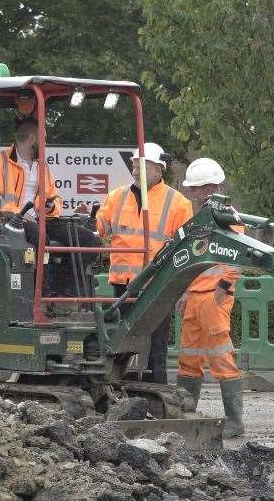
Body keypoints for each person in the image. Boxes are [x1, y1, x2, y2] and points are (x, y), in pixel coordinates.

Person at [96, 142, 193, 384]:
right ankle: (121, 394)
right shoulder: (116, 197)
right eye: (133, 164)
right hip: (124, 287)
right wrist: (92, 217)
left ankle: (155, 393)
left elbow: (188, 252)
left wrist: (184, 290)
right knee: (120, 346)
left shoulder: (178, 203)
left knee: (155, 347)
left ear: (159, 169)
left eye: (142, 164)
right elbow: (101, 229)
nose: (135, 169)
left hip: (158, 288)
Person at [0, 118, 100, 292]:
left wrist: (51, 207)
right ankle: (40, 293)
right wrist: (20, 213)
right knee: (39, 235)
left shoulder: (42, 166)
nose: (45, 144)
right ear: (31, 139)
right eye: (43, 139)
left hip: (44, 219)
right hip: (11, 221)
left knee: (88, 239)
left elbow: (55, 198)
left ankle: (67, 292)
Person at [176, 157, 245, 438]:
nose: (201, 193)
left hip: (215, 296)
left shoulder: (230, 218)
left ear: (217, 186)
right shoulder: (197, 220)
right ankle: (185, 413)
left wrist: (224, 287)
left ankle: (234, 420)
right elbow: (188, 259)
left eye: (206, 187)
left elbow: (238, 256)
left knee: (220, 357)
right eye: (197, 188)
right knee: (189, 357)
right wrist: (183, 290)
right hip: (195, 295)